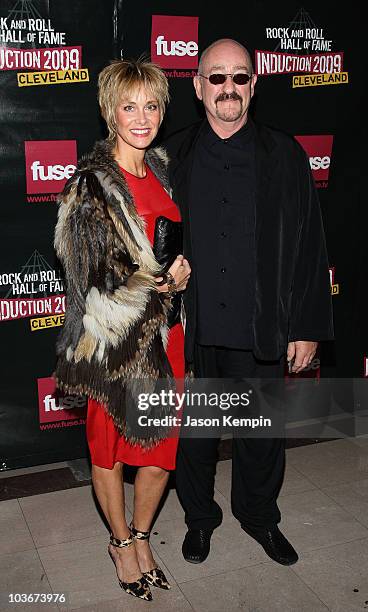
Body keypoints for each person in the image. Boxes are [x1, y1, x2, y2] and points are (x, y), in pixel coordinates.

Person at [164, 39, 334, 566]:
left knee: (261, 439)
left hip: (261, 325)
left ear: (254, 86)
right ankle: (199, 521)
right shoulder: (173, 154)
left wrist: (305, 325)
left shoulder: (284, 153)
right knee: (194, 440)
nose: (228, 88)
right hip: (193, 330)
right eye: (216, 78)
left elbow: (309, 244)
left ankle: (259, 519)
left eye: (240, 77)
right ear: (197, 87)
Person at [54, 58, 190, 601]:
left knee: (161, 453)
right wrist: (157, 286)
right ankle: (118, 542)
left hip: (167, 341)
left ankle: (141, 534)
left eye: (151, 105)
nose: (142, 117)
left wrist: (180, 277)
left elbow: (174, 242)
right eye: (129, 106)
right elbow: (86, 275)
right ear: (110, 111)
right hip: (114, 347)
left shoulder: (162, 168)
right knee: (108, 452)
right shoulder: (91, 184)